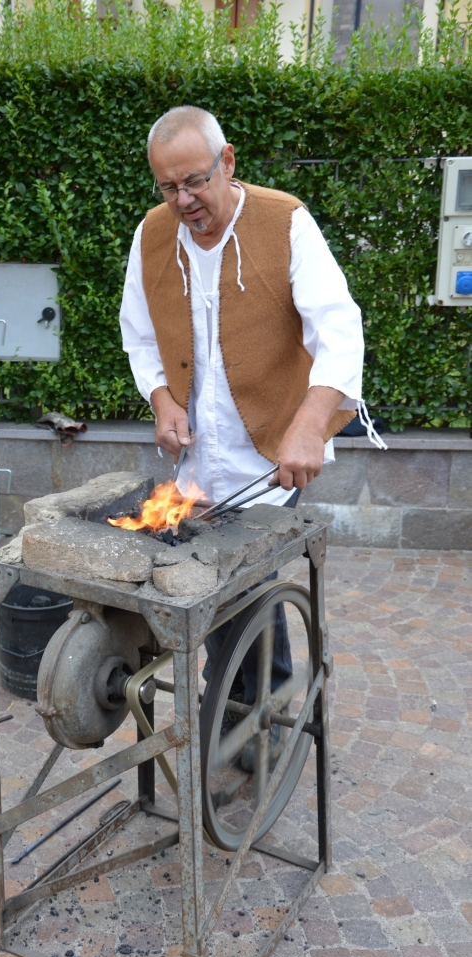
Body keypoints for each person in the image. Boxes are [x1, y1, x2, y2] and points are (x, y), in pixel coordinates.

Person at [119, 105, 383, 766]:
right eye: (167, 187)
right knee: (224, 584)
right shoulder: (152, 235)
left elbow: (338, 326)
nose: (182, 200)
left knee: (242, 581)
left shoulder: (283, 220)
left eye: (194, 182)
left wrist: (308, 421)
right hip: (200, 452)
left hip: (273, 448)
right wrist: (160, 399)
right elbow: (139, 334)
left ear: (227, 162)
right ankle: (248, 707)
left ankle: (246, 709)